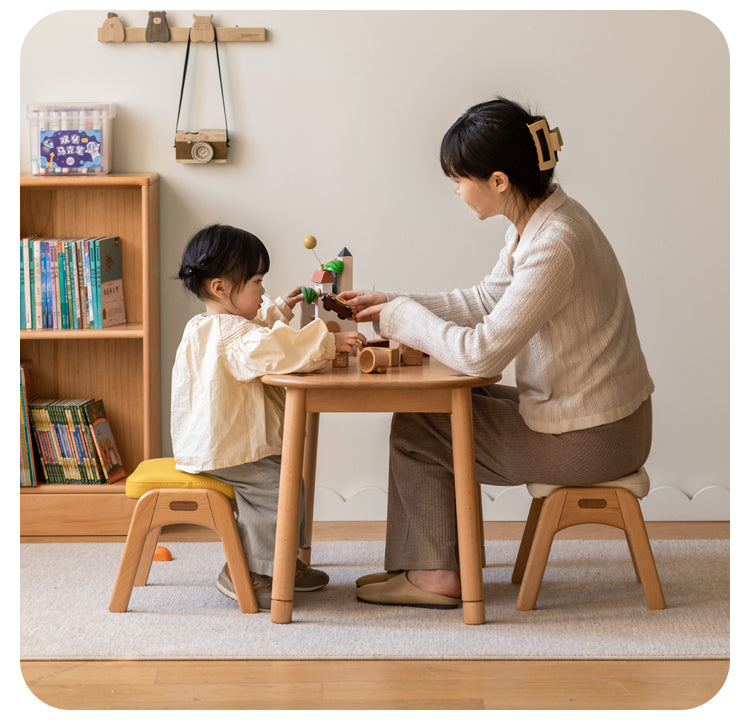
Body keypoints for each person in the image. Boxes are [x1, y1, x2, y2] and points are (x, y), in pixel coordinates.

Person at [339, 96, 654, 609]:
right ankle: (433, 565)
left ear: (499, 181)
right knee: (436, 411)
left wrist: (401, 320)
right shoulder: (540, 223)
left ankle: (435, 576)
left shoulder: (555, 244)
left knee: (420, 426)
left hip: (595, 439)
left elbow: (482, 354)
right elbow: (486, 300)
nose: (457, 192)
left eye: (460, 180)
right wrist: (396, 302)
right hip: (600, 421)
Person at [171, 224, 367, 609]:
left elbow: (255, 335)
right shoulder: (234, 336)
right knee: (278, 489)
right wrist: (329, 340)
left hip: (214, 444)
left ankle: (282, 562)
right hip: (226, 451)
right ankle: (251, 572)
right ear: (220, 288)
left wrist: (281, 308)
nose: (263, 290)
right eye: (257, 281)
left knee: (291, 480)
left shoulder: (211, 326)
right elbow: (274, 349)